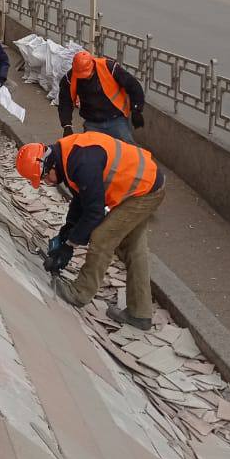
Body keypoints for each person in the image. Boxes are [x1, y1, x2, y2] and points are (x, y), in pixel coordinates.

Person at [16, 133, 165, 329]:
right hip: (145, 182)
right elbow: (81, 200)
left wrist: (69, 246)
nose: (48, 183)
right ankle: (140, 314)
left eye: (44, 178)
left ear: (48, 165)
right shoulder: (67, 156)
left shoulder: (81, 163)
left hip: (144, 191)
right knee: (133, 247)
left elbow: (94, 212)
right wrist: (66, 233)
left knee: (102, 238)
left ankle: (80, 293)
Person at [57, 50, 144, 143]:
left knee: (127, 149)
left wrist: (136, 109)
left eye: (87, 74)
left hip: (116, 119)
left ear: (92, 65)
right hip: (92, 122)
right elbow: (65, 102)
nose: (85, 78)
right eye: (81, 76)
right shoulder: (69, 79)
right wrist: (67, 126)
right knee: (93, 153)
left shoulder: (109, 68)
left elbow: (133, 86)